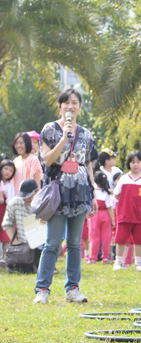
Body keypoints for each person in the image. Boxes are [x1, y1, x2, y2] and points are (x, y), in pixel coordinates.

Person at [34, 88, 97, 304]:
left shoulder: (87, 134)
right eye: (66, 102)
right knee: (52, 243)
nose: (70, 106)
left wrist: (93, 193)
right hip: (57, 192)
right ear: (60, 106)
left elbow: (88, 164)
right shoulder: (49, 130)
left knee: (75, 243)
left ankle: (73, 289)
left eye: (74, 102)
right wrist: (63, 138)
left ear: (80, 106)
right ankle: (42, 289)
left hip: (80, 192)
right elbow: (48, 160)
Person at [113, 151, 141, 271]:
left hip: (140, 215)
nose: (135, 165)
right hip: (124, 214)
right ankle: (118, 262)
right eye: (133, 162)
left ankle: (138, 262)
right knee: (121, 239)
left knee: (139, 240)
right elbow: (116, 195)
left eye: (138, 162)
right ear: (128, 164)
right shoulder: (124, 178)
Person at [2, 179, 40, 272]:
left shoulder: (42, 202)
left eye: (30, 195)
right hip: (22, 246)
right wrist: (15, 242)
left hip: (40, 243)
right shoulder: (15, 202)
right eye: (25, 196)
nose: (27, 199)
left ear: (36, 192)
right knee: (18, 269)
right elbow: (7, 223)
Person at [89, 172, 115, 265]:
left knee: (94, 237)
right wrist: (112, 220)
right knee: (106, 237)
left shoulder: (93, 192)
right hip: (105, 215)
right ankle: (105, 257)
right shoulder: (107, 193)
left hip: (95, 215)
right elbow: (109, 207)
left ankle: (93, 257)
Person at [0, 159, 15, 251]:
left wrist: (5, 217)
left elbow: (9, 202)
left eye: (11, 170)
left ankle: (6, 258)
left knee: (5, 236)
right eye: (6, 169)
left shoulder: (10, 186)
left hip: (3, 212)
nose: (8, 172)